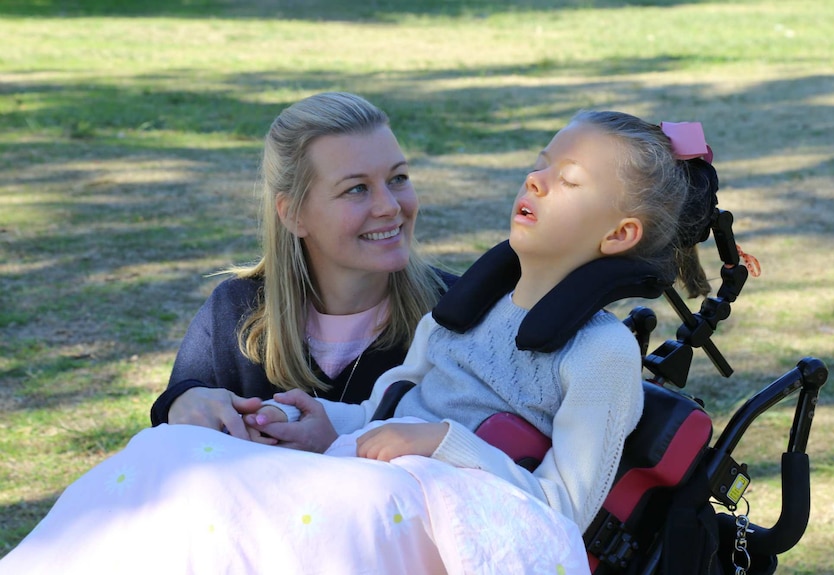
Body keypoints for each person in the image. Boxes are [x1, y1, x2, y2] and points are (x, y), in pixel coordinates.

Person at [0, 110, 715, 575]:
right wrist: (321, 422)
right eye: (541, 161)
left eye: (567, 179)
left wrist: (439, 442)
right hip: (384, 482)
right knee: (166, 451)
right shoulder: (466, 309)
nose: (535, 178)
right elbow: (385, 407)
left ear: (618, 234)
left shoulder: (599, 354)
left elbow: (559, 512)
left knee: (214, 501)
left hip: (450, 517)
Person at [149, 91, 457, 443]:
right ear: (293, 213)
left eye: (398, 178)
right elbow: (176, 465)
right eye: (356, 188)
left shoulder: (460, 315)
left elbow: (489, 463)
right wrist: (180, 402)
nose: (389, 206)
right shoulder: (235, 312)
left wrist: (337, 449)